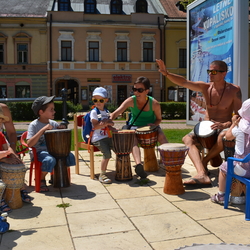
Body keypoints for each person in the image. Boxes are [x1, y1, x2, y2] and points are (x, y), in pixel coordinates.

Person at [156, 59, 242, 186]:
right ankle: (202, 173)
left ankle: (204, 160)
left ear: (224, 73)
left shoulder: (234, 90)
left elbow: (239, 116)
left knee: (223, 136)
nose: (210, 74)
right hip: (207, 126)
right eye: (209, 71)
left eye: (214, 71)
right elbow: (185, 82)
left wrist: (225, 125)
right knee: (187, 138)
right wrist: (166, 73)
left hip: (224, 125)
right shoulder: (205, 87)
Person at [110, 76, 168, 179]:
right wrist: (108, 120)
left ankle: (169, 161)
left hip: (150, 127)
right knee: (133, 140)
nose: (136, 92)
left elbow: (159, 119)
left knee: (162, 137)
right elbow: (116, 113)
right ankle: (138, 165)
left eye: (139, 90)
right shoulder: (131, 100)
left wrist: (154, 124)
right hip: (135, 127)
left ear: (147, 91)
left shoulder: (154, 103)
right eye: (134, 89)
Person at [27, 96, 75, 192]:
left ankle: (57, 175)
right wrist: (42, 130)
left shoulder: (53, 123)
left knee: (69, 155)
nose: (54, 112)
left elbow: (59, 133)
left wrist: (61, 128)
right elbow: (29, 144)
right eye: (51, 109)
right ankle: (40, 179)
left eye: (54, 109)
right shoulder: (34, 125)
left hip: (52, 150)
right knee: (49, 160)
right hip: (38, 152)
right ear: (41, 112)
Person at [211, 99, 250, 204]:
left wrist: (233, 123)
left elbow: (227, 137)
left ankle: (221, 195)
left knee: (223, 167)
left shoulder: (239, 128)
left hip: (243, 169)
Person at [0, 109, 24, 212]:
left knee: (18, 166)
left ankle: (20, 189)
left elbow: (7, 148)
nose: (0, 123)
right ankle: (1, 201)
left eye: (1, 121)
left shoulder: (0, 135)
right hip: (2, 160)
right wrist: (5, 160)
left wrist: (15, 157)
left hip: (2, 159)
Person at [90, 87, 115, 184]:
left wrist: (112, 126)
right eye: (95, 100)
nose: (97, 102)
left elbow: (111, 123)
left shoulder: (107, 112)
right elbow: (95, 126)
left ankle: (122, 168)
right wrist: (105, 123)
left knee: (119, 149)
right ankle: (102, 174)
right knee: (107, 153)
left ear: (106, 100)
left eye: (100, 100)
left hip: (106, 136)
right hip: (97, 138)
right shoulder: (94, 112)